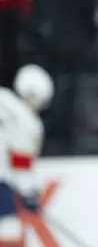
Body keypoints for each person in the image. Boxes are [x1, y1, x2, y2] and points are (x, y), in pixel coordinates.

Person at [0, 64, 54, 247]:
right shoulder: (27, 121)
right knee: (9, 229)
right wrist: (29, 193)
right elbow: (20, 163)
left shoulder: (2, 97)